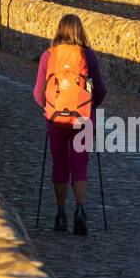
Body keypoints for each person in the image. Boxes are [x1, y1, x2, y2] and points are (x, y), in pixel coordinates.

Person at [33, 13, 107, 236]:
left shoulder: (49, 56)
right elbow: (101, 90)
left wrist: (48, 108)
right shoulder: (88, 55)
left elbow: (38, 93)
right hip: (83, 117)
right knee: (79, 163)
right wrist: (91, 105)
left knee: (60, 164)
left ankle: (60, 214)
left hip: (56, 119)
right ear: (80, 31)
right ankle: (80, 210)